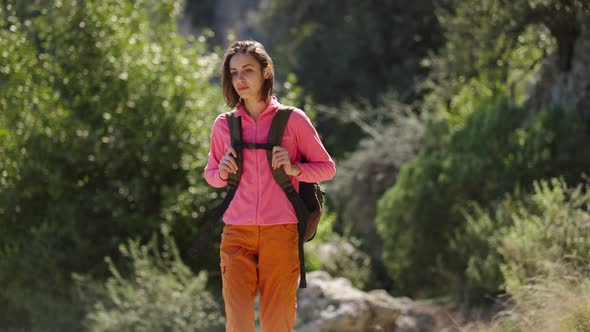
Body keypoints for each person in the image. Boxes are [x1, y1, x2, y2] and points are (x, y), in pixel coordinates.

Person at [204, 40, 336, 332]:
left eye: (248, 70)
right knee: (238, 324)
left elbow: (327, 169)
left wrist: (294, 168)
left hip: (282, 231)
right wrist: (222, 171)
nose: (240, 79)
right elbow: (211, 175)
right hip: (236, 233)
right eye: (234, 72)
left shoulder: (293, 120)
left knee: (277, 324)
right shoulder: (223, 125)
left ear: (266, 71)